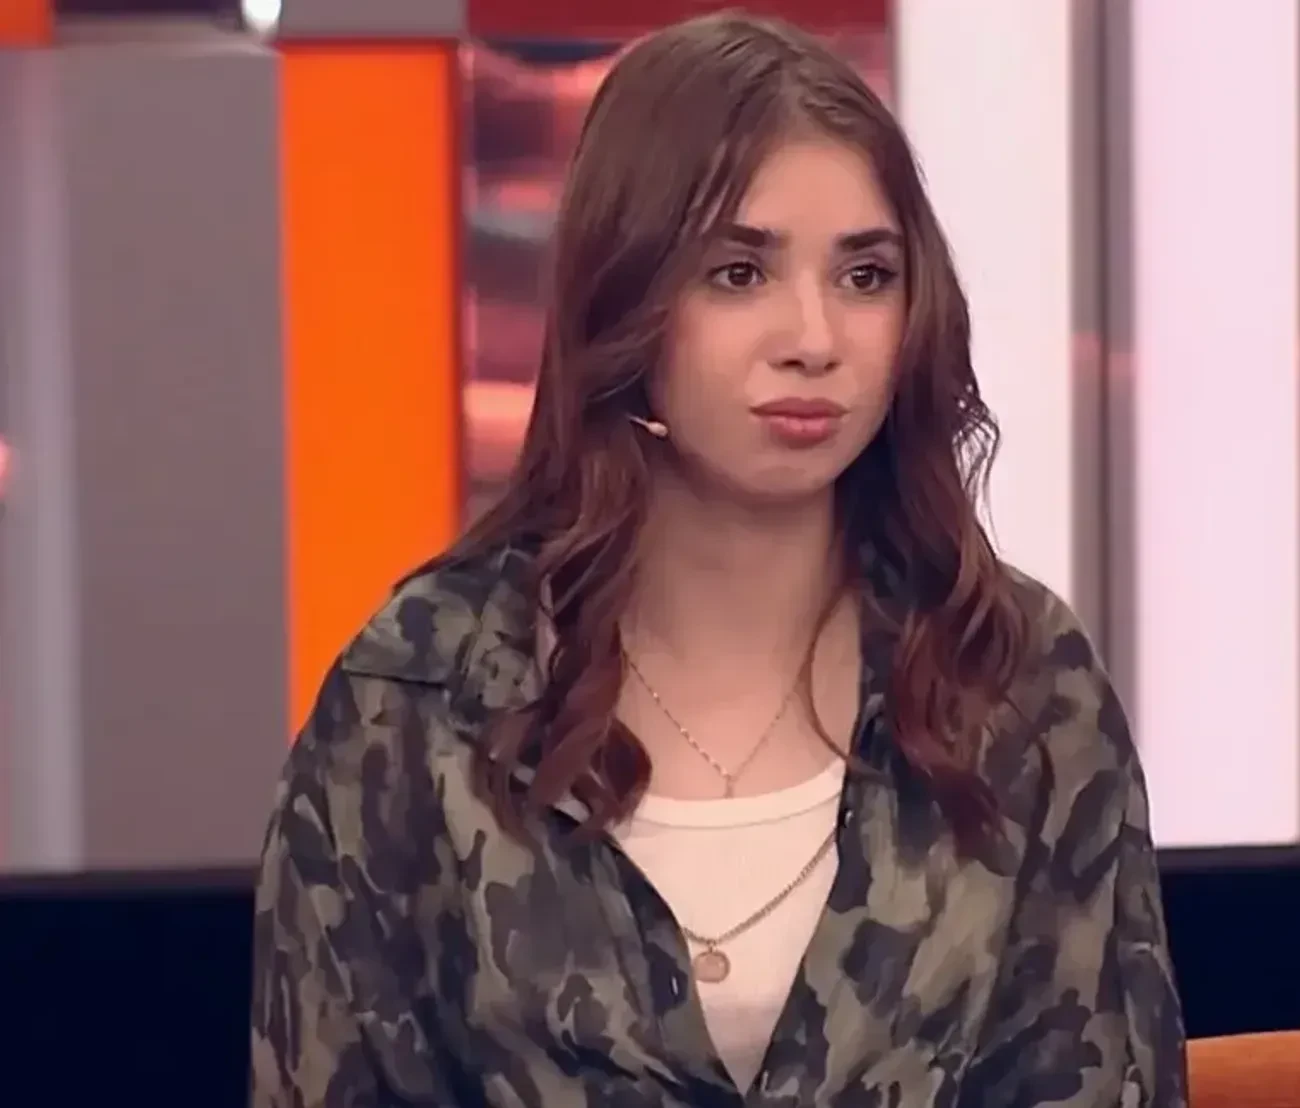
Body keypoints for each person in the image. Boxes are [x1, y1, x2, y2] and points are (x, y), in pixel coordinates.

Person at [249, 12, 1188, 1108]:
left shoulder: (1015, 681)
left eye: (865, 276)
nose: (814, 339)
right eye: (739, 274)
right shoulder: (419, 694)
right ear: (625, 300)